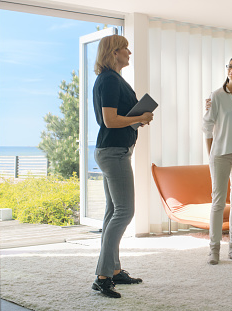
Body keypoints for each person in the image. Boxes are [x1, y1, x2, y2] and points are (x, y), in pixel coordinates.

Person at [91, 34, 154, 298]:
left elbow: (119, 118)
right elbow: (109, 120)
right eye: (125, 48)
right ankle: (103, 277)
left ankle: (114, 271)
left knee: (112, 212)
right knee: (125, 212)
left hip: (115, 150)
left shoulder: (113, 79)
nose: (130, 52)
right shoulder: (109, 79)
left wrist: (137, 119)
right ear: (114, 52)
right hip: (113, 152)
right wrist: (141, 116)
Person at [202, 57, 232, 265]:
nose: (231, 70)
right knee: (218, 202)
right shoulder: (217, 96)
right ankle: (214, 250)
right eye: (229, 66)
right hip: (220, 154)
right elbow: (207, 126)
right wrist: (211, 153)